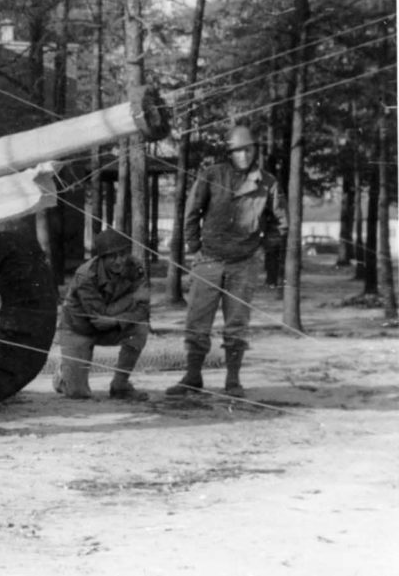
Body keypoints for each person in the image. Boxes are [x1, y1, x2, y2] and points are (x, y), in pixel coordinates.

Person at [167, 125, 287, 399]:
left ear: (255, 150)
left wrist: (260, 248)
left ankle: (233, 380)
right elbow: (192, 212)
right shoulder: (212, 175)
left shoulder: (267, 183)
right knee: (197, 321)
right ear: (229, 152)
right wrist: (195, 246)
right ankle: (193, 376)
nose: (244, 155)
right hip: (209, 260)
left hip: (243, 264)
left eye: (248, 150)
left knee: (237, 324)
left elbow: (281, 223)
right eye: (238, 151)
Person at [53, 229, 150, 401]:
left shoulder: (135, 268)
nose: (119, 260)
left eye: (123, 254)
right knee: (78, 393)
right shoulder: (86, 275)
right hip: (78, 330)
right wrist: (132, 298)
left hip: (110, 325)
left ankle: (120, 385)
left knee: (139, 329)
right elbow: (100, 316)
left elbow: (143, 310)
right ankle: (63, 374)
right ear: (101, 258)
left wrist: (116, 320)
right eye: (112, 256)